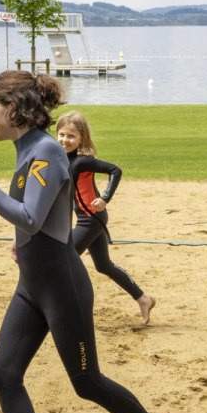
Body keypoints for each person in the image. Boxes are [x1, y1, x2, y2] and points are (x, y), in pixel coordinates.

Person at [0, 71, 171, 413]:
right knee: (4, 374)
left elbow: (30, 217)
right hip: (33, 282)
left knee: (86, 382)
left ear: (12, 109)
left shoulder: (46, 151)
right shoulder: (28, 148)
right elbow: (40, 218)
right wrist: (22, 247)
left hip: (61, 284)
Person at [55, 111, 156, 325]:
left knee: (65, 260)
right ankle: (143, 298)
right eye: (61, 134)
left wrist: (105, 198)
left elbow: (115, 170)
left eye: (71, 136)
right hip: (87, 218)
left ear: (82, 138)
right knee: (103, 265)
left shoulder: (82, 161)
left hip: (91, 218)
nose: (65, 140)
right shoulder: (62, 158)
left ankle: (68, 311)